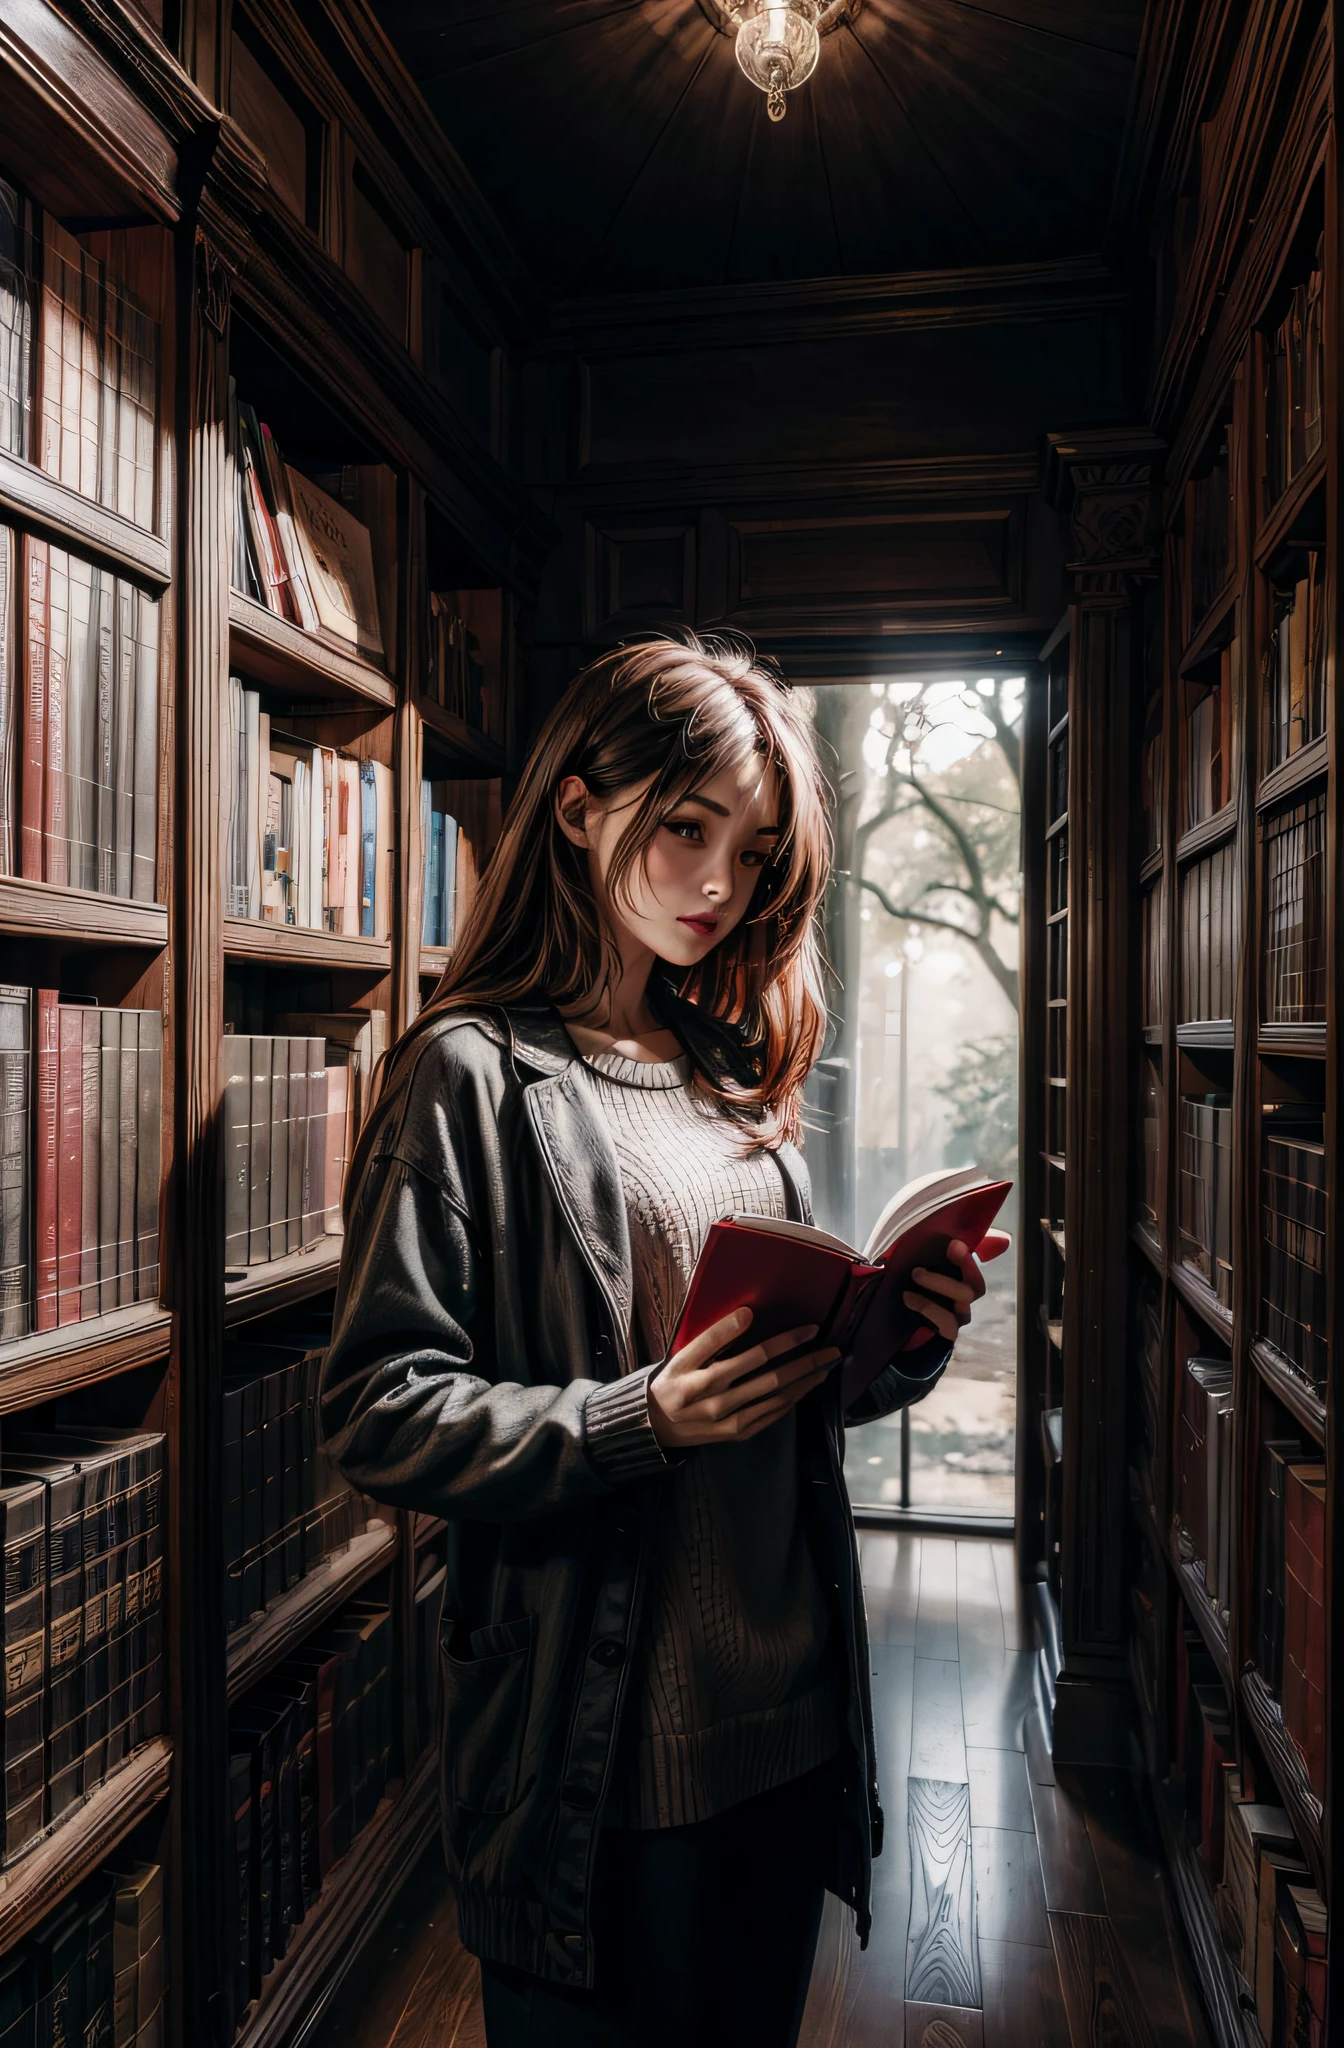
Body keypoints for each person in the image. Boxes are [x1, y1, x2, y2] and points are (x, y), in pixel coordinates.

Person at [319, 633, 984, 2048]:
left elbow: (763, 1394)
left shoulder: (729, 1070)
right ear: (576, 805)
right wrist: (639, 1421)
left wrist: (897, 1341)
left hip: (792, 1723)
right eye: (685, 828)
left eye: (749, 853)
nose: (717, 884)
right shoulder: (469, 1075)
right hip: (601, 1756)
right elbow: (377, 1407)